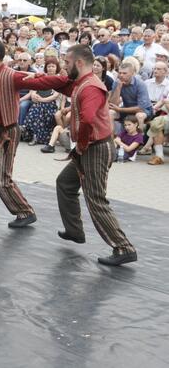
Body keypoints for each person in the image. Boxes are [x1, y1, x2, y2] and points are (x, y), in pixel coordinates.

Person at [0, 39, 69, 228]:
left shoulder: (11, 76)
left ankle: (25, 212)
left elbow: (41, 81)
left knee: (1, 178)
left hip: (6, 132)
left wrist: (63, 78)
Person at [54, 44, 137, 266]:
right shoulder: (83, 83)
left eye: (68, 62)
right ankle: (74, 231)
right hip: (91, 146)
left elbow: (89, 120)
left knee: (95, 198)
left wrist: (80, 144)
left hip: (95, 148)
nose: (65, 66)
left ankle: (124, 247)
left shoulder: (90, 86)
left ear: (79, 63)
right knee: (65, 183)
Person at [109, 62, 152, 131]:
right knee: (110, 113)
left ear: (132, 73)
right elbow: (113, 104)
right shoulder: (117, 82)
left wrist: (119, 109)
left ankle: (139, 139)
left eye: (124, 73)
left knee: (139, 116)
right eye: (120, 73)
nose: (121, 75)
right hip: (127, 108)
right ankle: (111, 139)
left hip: (145, 110)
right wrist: (118, 88)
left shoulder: (140, 84)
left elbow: (140, 108)